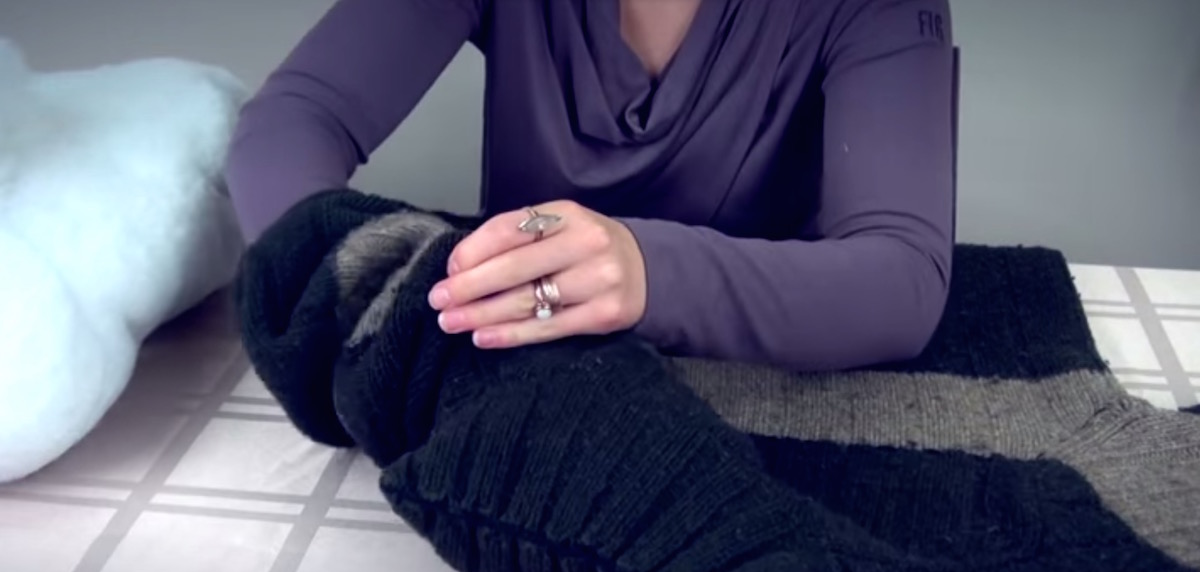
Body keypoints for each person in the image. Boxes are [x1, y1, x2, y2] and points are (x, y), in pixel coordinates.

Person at [224, 0, 956, 372]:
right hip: (512, 391)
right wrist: (377, 292)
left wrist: (649, 272)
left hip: (757, 413)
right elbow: (289, 123)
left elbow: (903, 278)